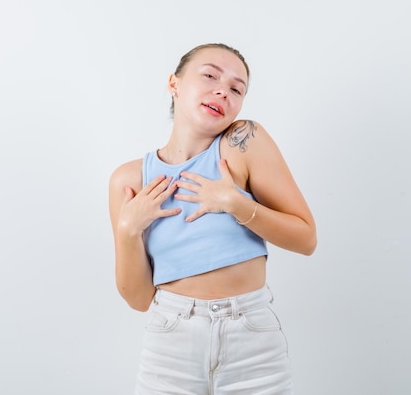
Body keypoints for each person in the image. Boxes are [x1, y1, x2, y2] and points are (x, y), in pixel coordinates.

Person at [108, 43, 317, 394]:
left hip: (251, 340)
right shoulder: (129, 180)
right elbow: (139, 299)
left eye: (237, 89)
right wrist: (129, 230)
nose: (224, 90)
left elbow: (306, 238)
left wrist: (236, 204)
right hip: (170, 343)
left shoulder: (242, 142)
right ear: (174, 84)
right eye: (209, 75)